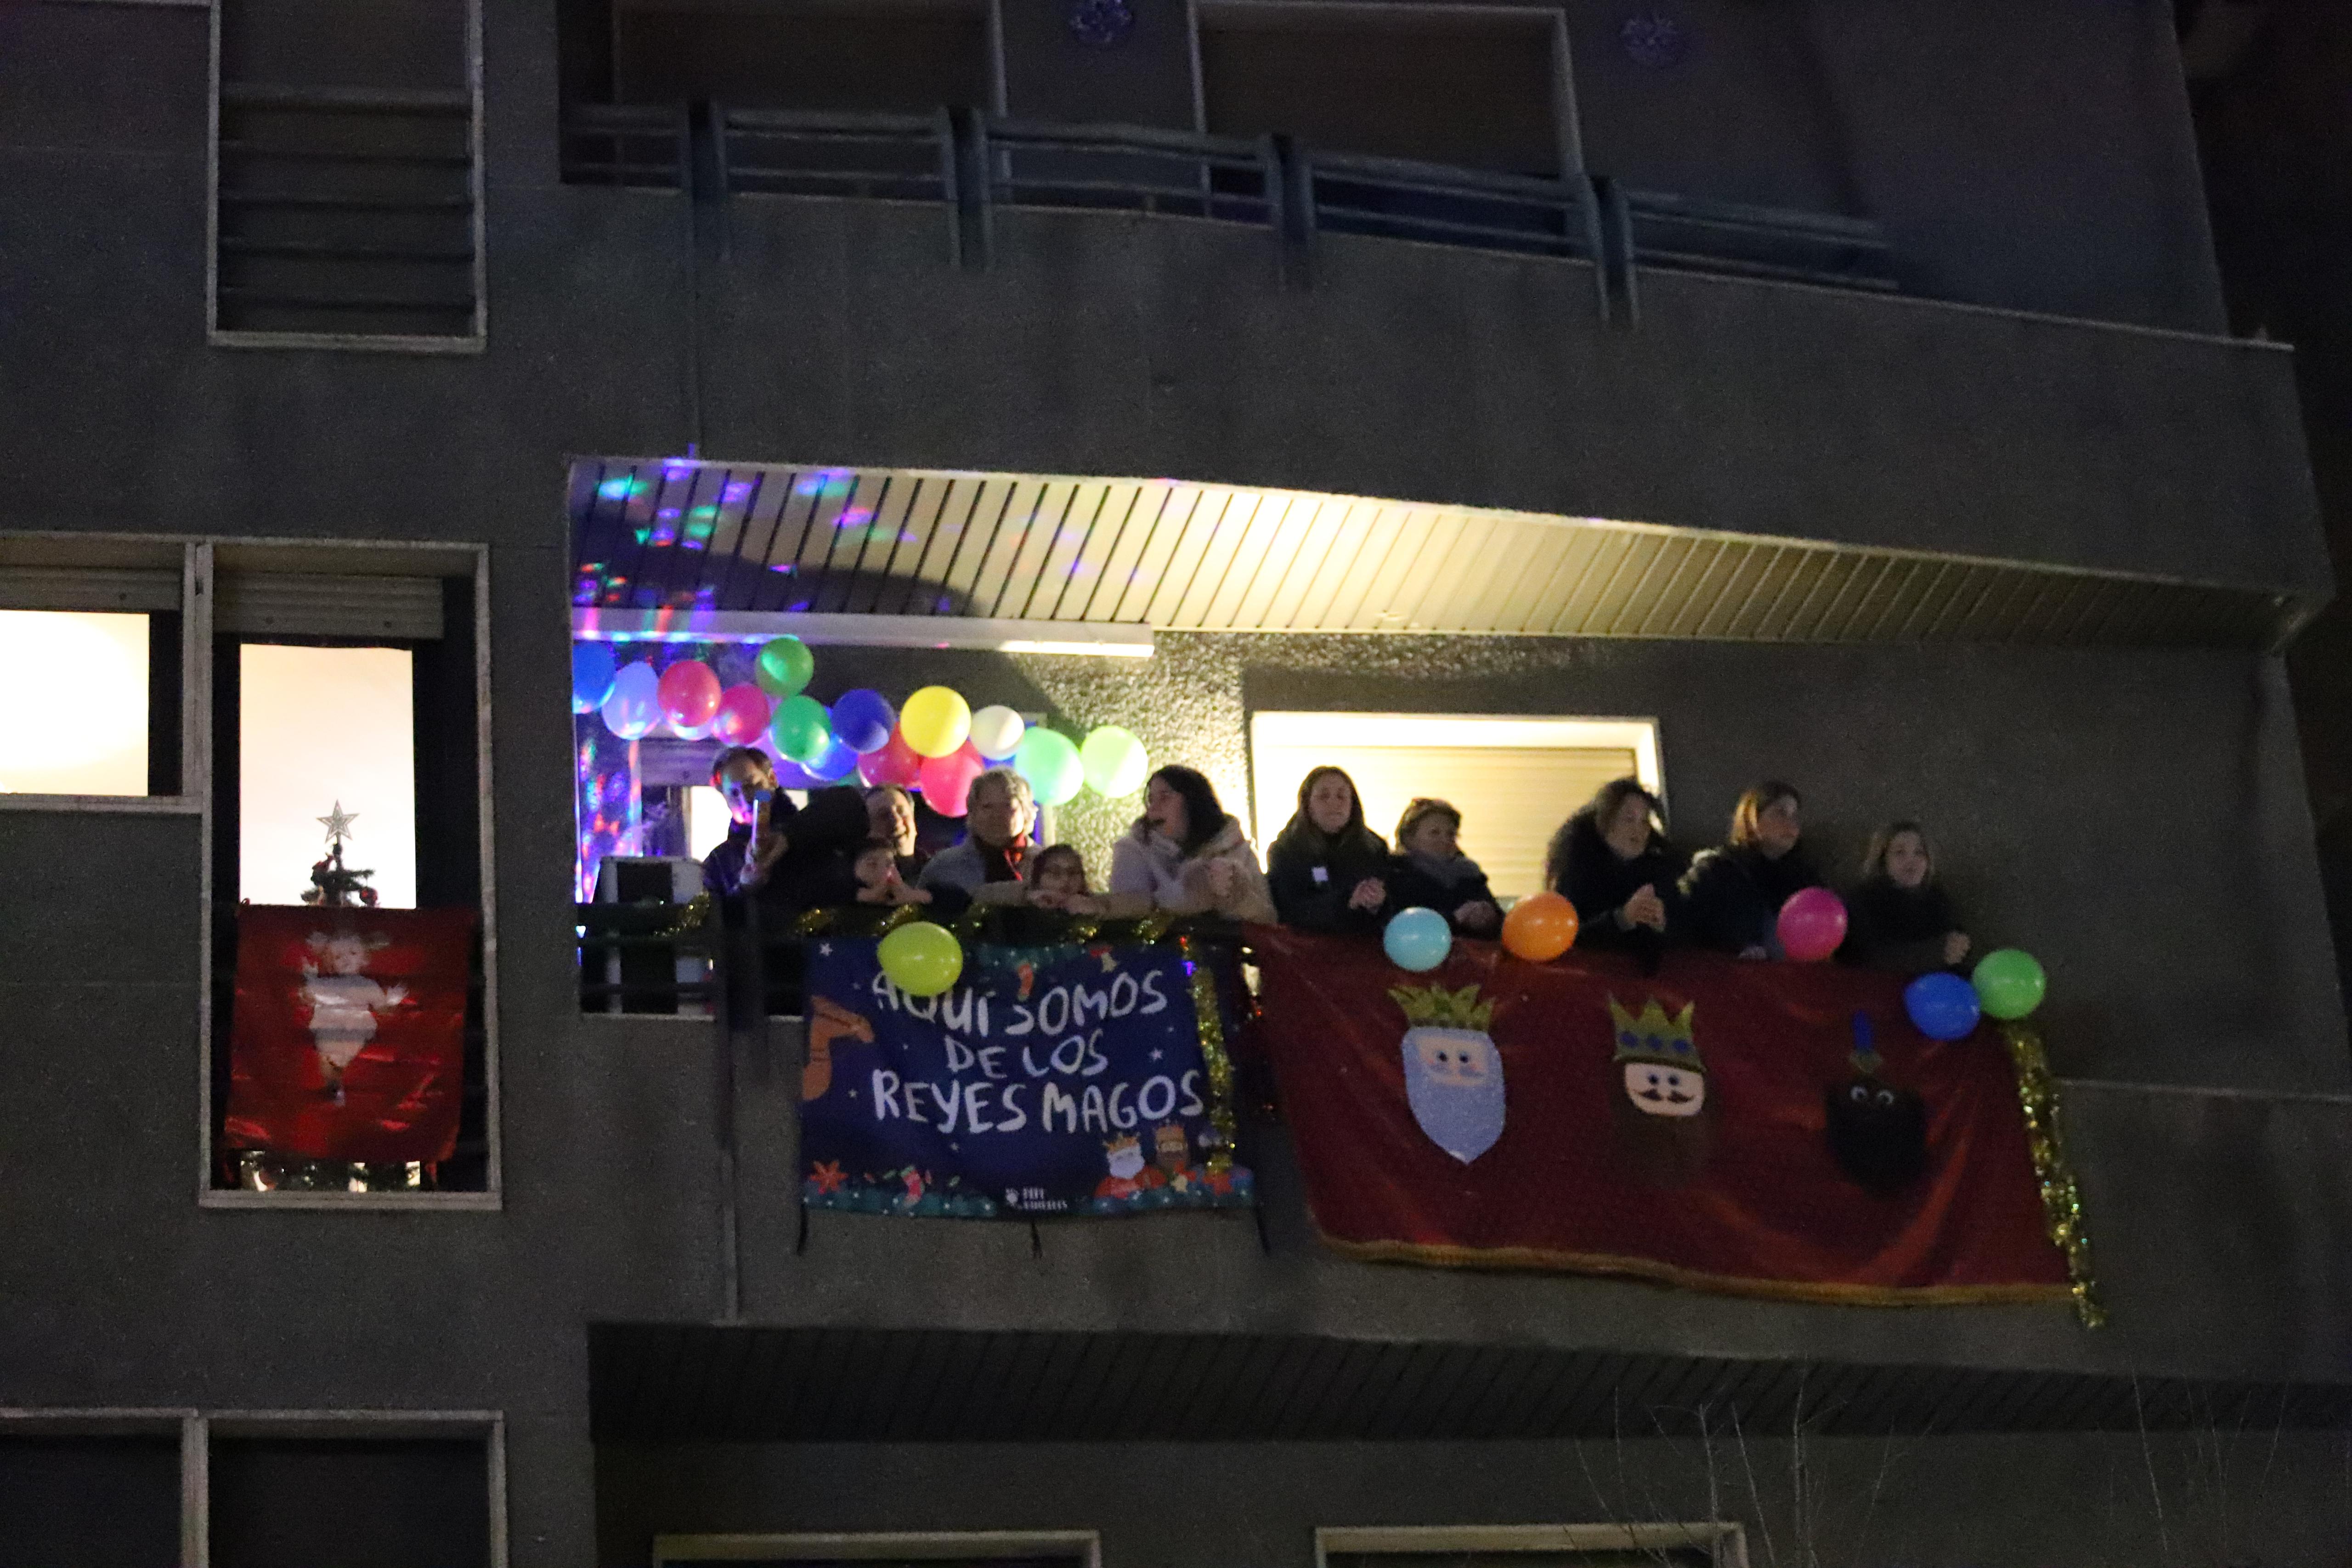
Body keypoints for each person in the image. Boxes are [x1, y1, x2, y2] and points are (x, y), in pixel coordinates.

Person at [701, 746, 867, 919]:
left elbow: (851, 804)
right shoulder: (719, 861)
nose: (746, 799)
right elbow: (715, 923)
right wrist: (745, 889)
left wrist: (788, 838)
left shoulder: (814, 828)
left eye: (752, 785)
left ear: (772, 779)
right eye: (734, 793)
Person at [1103, 765, 1278, 923]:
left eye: (1165, 798)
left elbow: (1268, 919)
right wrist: (1197, 889)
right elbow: (1127, 916)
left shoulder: (1236, 849)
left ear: (1193, 801)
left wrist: (1238, 894)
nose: (1153, 808)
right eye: (1150, 800)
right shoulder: (1134, 850)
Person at [1546, 777, 1683, 969]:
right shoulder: (1577, 871)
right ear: (1604, 822)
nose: (1639, 829)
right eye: (1629, 819)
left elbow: (1686, 934)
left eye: (1644, 821)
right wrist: (1621, 919)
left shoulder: (1660, 872)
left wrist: (1663, 925)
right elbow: (1568, 936)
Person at [1678, 780, 1821, 959]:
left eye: (1794, 816)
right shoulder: (1717, 872)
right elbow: (1682, 925)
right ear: (1752, 818)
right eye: (1780, 813)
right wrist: (1734, 950)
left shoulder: (1806, 879)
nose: (1790, 823)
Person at [1266, 766, 1391, 934]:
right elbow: (1288, 910)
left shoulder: (1374, 849)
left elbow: (1393, 908)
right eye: (1324, 797)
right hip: (1306, 951)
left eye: (1341, 796)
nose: (1334, 803)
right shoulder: (1285, 851)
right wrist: (1346, 902)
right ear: (1308, 804)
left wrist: (1378, 903)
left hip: (1363, 949)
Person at [1841, 820, 1971, 975]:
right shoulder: (1864, 900)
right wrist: (1937, 953)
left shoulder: (1937, 901)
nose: (1911, 861)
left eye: (1919, 853)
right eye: (1900, 853)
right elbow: (1870, 957)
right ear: (1884, 860)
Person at [916, 767, 1037, 908]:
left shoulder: (1048, 864)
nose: (997, 815)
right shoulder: (944, 868)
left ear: (1025, 811)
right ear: (973, 812)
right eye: (987, 807)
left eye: (1008, 805)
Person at [1385, 797, 1500, 936]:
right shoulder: (1396, 874)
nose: (1445, 840)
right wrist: (1455, 919)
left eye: (1451, 834)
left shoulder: (1470, 874)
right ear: (1409, 838)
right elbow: (1402, 927)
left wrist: (1490, 919)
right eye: (1434, 833)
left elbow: (1504, 925)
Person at [851, 837, 936, 908]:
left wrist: (906, 893)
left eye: (890, 864)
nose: (889, 871)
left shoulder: (900, 887)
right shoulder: (851, 891)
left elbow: (928, 897)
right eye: (872, 864)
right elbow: (873, 896)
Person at [864, 783, 924, 880]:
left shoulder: (941, 873)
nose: (897, 821)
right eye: (884, 815)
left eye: (901, 811)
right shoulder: (859, 888)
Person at [1026, 844, 1097, 913]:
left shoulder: (1093, 907)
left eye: (1073, 873)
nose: (1066, 879)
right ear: (1038, 877)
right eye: (1055, 873)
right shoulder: (1023, 902)